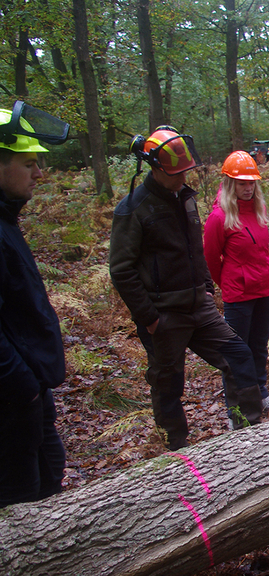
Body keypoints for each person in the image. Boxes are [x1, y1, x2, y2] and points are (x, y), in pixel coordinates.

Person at [110, 127, 264, 449]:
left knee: (238, 356)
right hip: (164, 315)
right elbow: (122, 270)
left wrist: (206, 287)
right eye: (178, 173)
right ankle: (177, 449)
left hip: (200, 307)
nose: (184, 177)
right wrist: (150, 317)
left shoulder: (186, 199)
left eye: (186, 171)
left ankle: (248, 434)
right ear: (156, 168)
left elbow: (197, 250)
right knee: (168, 383)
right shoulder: (134, 208)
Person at [0, 102, 69, 507]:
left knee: (48, 476)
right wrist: (23, 387)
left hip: (29, 392)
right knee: (19, 498)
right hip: (12, 399)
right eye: (28, 164)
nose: (39, 174)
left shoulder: (6, 221)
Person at [203, 151, 269, 413]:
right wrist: (229, 282)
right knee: (238, 355)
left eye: (251, 183)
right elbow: (211, 259)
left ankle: (261, 396)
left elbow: (261, 250)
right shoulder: (219, 217)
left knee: (259, 347)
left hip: (264, 288)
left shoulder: (259, 208)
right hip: (238, 294)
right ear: (230, 183)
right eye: (242, 183)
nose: (248, 188)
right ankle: (237, 409)